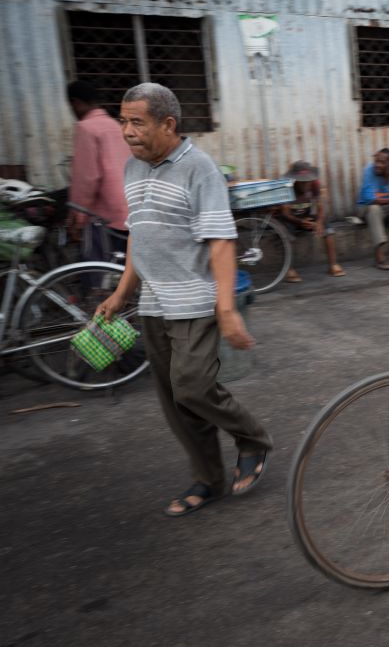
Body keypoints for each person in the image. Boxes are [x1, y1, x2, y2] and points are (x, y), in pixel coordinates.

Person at [96, 83, 271, 517]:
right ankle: (208, 480)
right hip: (153, 304)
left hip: (194, 300)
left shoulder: (199, 168)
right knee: (176, 400)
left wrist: (227, 310)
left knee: (192, 386)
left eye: (137, 122)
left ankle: (252, 437)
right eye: (123, 121)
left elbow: (221, 241)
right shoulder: (133, 169)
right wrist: (122, 293)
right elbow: (141, 232)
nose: (127, 131)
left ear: (167, 124)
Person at [67, 81, 130, 260]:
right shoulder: (115, 125)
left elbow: (86, 178)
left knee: (98, 273)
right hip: (129, 207)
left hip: (105, 213)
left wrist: (77, 217)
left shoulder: (86, 128)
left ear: (75, 102)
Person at [278, 160, 345, 282]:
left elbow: (321, 206)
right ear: (295, 179)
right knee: (285, 231)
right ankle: (289, 269)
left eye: (307, 181)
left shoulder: (315, 184)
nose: (305, 184)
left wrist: (318, 222)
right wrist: (300, 222)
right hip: (290, 219)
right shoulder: (286, 187)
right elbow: (285, 213)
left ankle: (333, 265)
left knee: (327, 226)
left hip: (306, 216)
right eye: (301, 181)